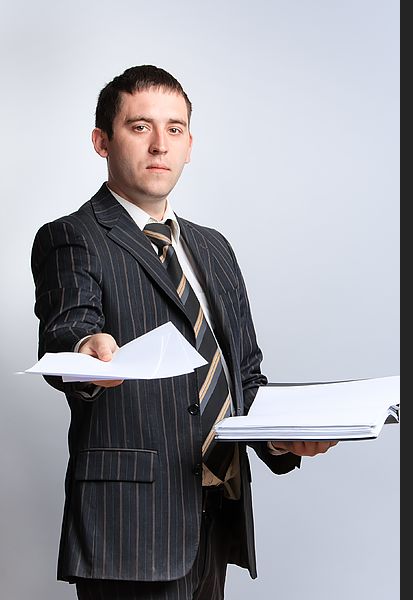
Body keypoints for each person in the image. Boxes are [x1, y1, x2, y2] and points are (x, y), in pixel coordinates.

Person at [31, 65, 337, 600]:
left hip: (216, 510)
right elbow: (68, 328)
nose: (158, 145)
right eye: (139, 126)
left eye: (174, 129)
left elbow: (243, 375)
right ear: (102, 141)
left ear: (190, 145)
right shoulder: (71, 237)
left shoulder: (214, 247)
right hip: (132, 526)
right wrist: (86, 349)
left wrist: (283, 439)